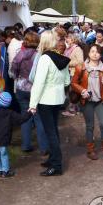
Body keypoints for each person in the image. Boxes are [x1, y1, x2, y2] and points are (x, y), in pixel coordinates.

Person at [29, 30, 70, 177]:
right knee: (53, 131)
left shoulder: (45, 59)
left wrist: (32, 104)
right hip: (57, 99)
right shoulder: (61, 57)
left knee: (50, 132)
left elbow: (38, 83)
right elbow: (67, 81)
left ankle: (56, 165)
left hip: (46, 100)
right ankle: (53, 159)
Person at [71, 44, 103, 162]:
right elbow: (73, 83)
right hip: (87, 100)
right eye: (92, 51)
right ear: (88, 53)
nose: (95, 54)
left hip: (100, 100)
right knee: (90, 126)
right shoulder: (81, 67)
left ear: (100, 54)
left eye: (97, 52)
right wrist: (82, 90)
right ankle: (90, 150)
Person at [10, 30, 49, 155]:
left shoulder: (19, 54)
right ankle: (44, 148)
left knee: (25, 116)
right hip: (36, 89)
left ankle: (26, 145)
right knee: (39, 118)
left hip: (21, 88)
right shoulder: (40, 56)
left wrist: (18, 77)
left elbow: (12, 72)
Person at [0, 92, 33, 178]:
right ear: (9, 103)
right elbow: (21, 119)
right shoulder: (10, 113)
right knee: (3, 154)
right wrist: (30, 113)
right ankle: (5, 171)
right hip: (4, 138)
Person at [62, 33, 84, 117]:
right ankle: (76, 109)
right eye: (66, 38)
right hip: (68, 72)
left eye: (68, 38)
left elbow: (80, 61)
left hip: (74, 73)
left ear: (73, 39)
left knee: (72, 92)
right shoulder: (68, 49)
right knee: (71, 91)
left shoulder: (77, 49)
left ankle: (72, 110)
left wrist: (68, 63)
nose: (66, 40)